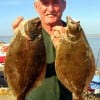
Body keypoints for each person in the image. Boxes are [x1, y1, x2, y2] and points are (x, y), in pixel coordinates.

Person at [12, 0, 72, 100]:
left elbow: (80, 69)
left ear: (64, 5)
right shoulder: (26, 33)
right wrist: (18, 41)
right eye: (45, 3)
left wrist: (63, 49)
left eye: (56, 2)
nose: (51, 9)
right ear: (36, 6)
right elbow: (15, 68)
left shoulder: (74, 33)